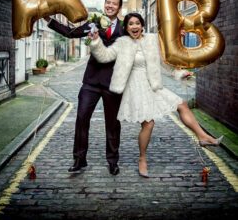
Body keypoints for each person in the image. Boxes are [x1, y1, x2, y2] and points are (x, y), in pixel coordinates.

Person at [88, 12, 223, 178]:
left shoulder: (153, 40)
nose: (134, 26)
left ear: (142, 25)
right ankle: (142, 159)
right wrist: (95, 41)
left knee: (182, 104)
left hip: (152, 84)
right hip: (134, 87)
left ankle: (203, 136)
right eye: (130, 24)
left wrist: (179, 73)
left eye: (137, 23)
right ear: (127, 28)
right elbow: (104, 56)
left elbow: (164, 63)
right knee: (149, 124)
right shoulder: (122, 43)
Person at [44, 0, 124, 175]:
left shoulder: (124, 28)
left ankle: (113, 161)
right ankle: (79, 160)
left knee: (112, 123)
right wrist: (49, 20)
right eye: (108, 2)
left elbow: (140, 40)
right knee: (81, 118)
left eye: (114, 4)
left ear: (119, 8)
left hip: (113, 83)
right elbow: (70, 33)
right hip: (91, 81)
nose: (110, 6)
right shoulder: (94, 22)